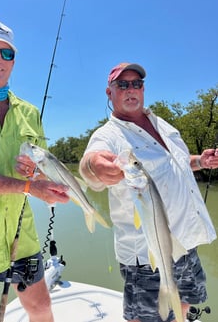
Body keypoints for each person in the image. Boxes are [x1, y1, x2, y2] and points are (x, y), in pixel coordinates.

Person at [79, 62, 218, 322]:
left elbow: (173, 162)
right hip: (145, 254)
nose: (131, 89)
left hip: (186, 241)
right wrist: (93, 167)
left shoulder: (161, 124)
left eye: (136, 84)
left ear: (143, 89)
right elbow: (90, 165)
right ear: (109, 93)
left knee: (182, 308)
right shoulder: (108, 135)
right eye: (122, 84)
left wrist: (200, 161)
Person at [0, 20, 69, 322]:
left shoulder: (30, 112)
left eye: (7, 54)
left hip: (22, 238)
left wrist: (37, 176)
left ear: (14, 61)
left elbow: (42, 175)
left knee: (41, 308)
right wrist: (27, 187)